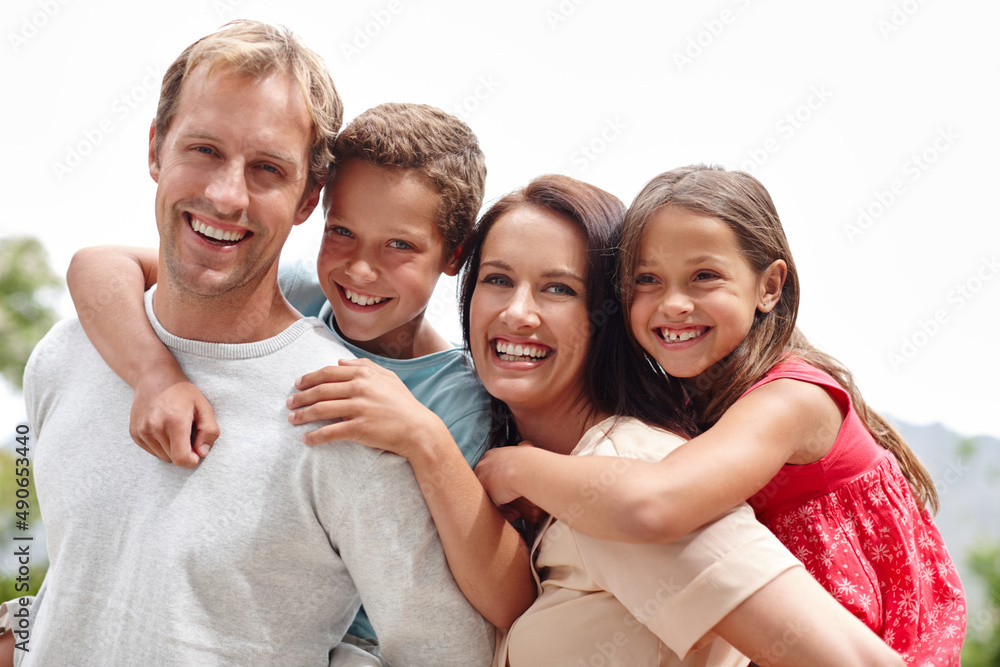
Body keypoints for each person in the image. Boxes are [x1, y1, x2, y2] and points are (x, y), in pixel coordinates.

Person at [9, 21, 494, 666]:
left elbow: (447, 651)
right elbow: (75, 576)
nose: (225, 195)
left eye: (267, 168)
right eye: (203, 149)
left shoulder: (343, 413)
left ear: (306, 197)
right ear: (156, 149)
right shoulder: (67, 356)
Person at [63, 102, 534, 636]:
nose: (360, 268)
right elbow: (98, 264)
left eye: (399, 245)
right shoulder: (286, 295)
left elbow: (494, 596)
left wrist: (421, 435)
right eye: (342, 232)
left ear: (455, 254)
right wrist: (156, 377)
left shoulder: (460, 402)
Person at [474, 166, 966, 665]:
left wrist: (516, 468)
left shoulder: (788, 400)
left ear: (769, 286)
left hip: (877, 636)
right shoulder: (694, 404)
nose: (675, 303)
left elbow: (655, 504)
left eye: (704, 276)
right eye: (647, 280)